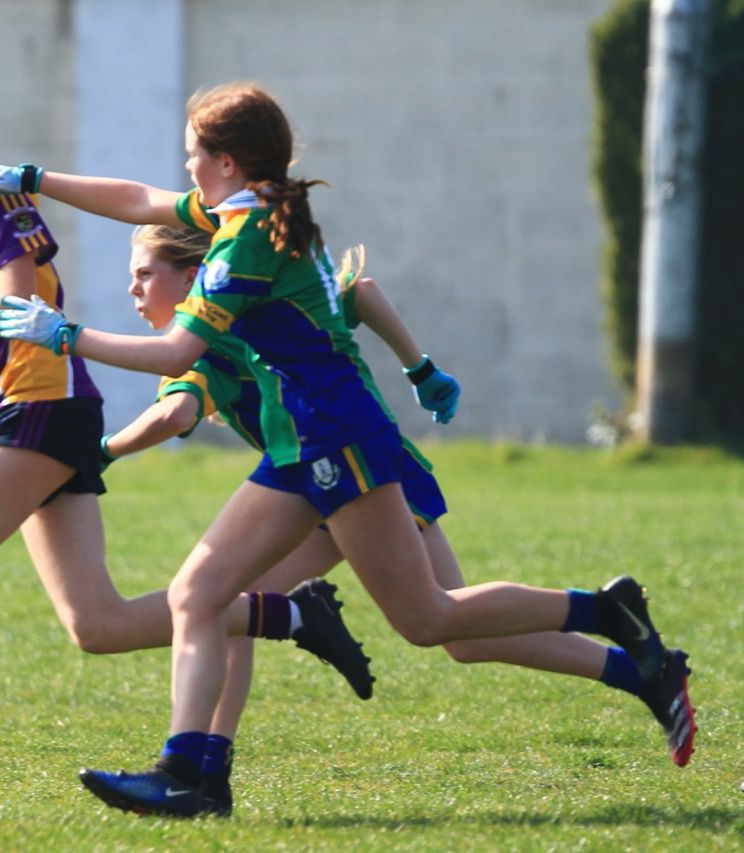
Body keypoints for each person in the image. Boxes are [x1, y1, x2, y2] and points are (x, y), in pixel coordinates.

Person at [0, 81, 696, 816]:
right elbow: (139, 201)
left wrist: (65, 335)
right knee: (207, 595)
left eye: (193, 157)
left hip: (336, 437)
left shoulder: (248, 240)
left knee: (429, 619)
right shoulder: (247, 213)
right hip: (303, 445)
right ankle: (191, 774)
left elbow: (178, 351)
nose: (186, 173)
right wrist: (33, 179)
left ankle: (604, 612)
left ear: (230, 162)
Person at [0, 54, 373, 827]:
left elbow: (14, 303)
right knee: (97, 625)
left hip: (44, 405)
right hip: (24, 414)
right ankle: (288, 615)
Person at [107, 225, 695, 814]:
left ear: (189, 277)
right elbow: (358, 292)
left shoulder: (209, 338)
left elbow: (174, 414)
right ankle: (205, 773)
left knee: (432, 622)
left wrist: (100, 448)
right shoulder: (253, 302)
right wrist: (420, 369)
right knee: (250, 608)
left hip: (356, 473)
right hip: (324, 481)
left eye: (143, 274)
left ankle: (202, 773)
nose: (132, 288)